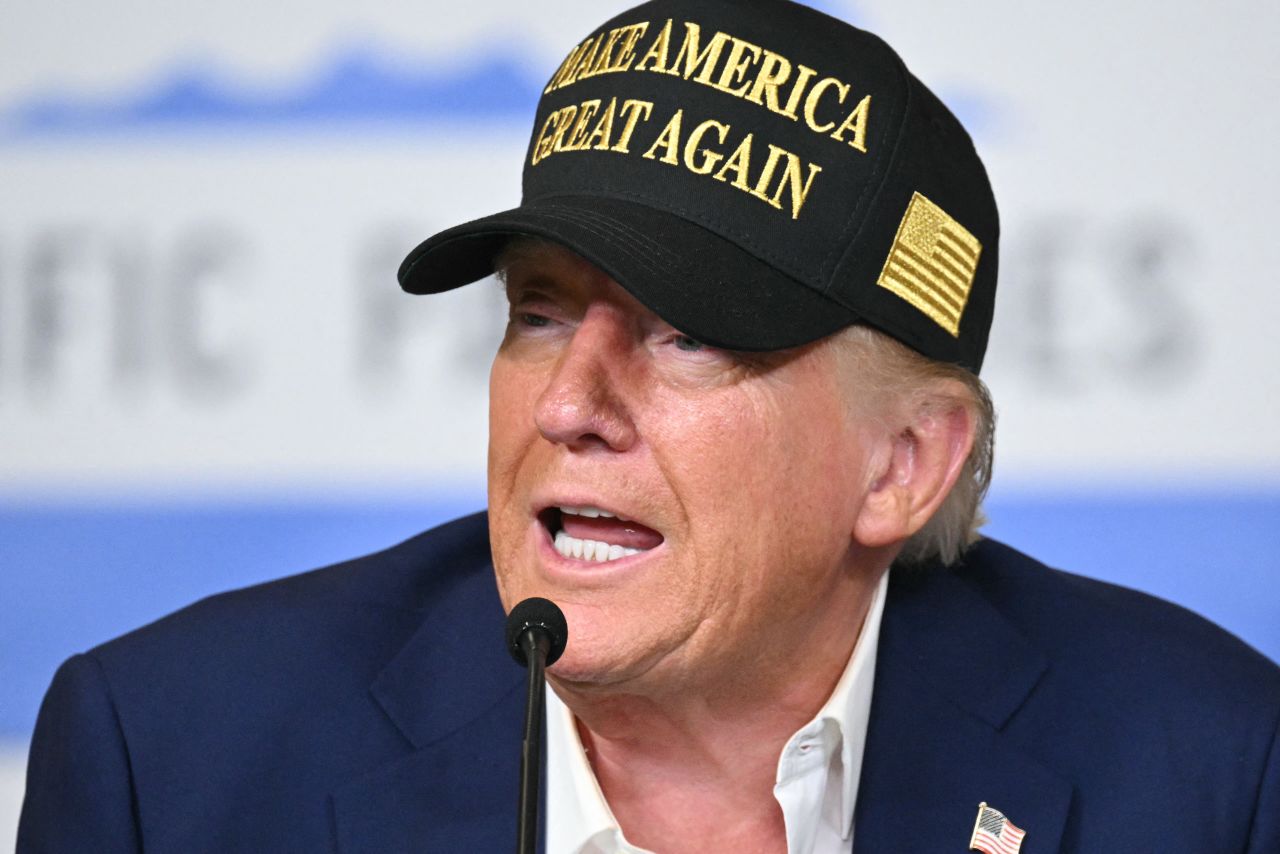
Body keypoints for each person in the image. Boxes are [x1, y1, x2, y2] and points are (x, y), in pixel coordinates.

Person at [18, 0, 1280, 852]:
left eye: (688, 334)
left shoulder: (1201, 772)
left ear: (900, 463)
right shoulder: (174, 765)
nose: (568, 404)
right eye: (539, 313)